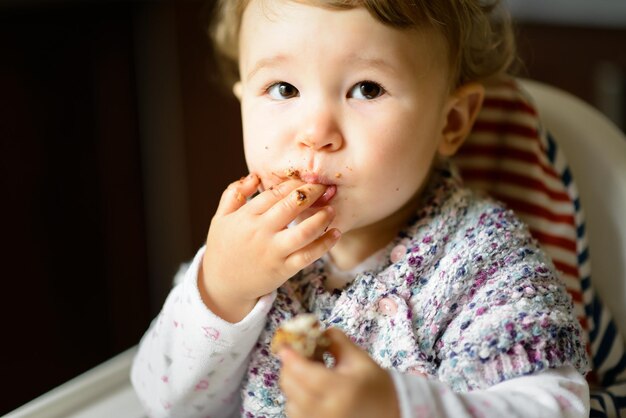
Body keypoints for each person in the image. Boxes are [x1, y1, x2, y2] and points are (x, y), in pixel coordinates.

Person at [131, 1, 590, 417]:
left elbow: (554, 408)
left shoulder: (484, 263)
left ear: (449, 122)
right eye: (284, 88)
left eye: (367, 89)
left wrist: (396, 409)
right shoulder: (247, 250)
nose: (315, 132)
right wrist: (220, 292)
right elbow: (161, 400)